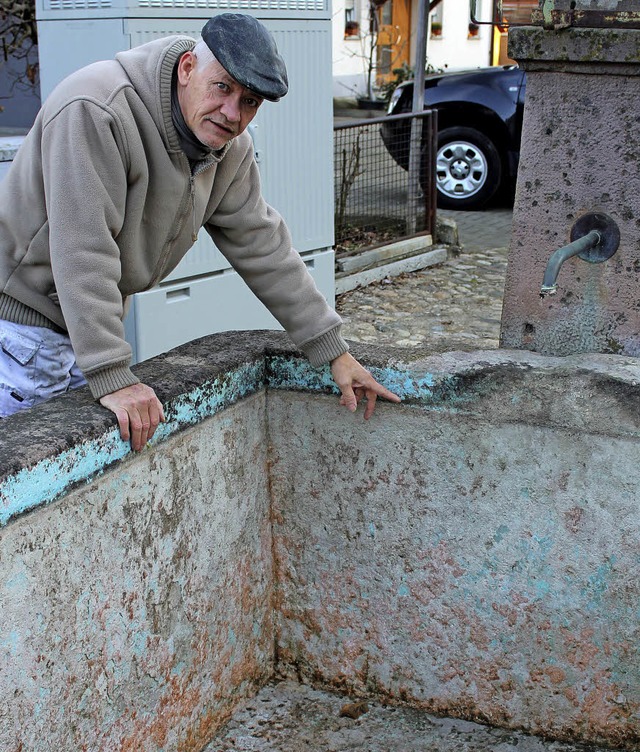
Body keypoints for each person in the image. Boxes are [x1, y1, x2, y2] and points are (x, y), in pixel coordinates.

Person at [0, 13, 400, 450]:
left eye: (250, 102)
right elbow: (83, 249)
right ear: (188, 68)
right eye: (223, 87)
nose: (232, 113)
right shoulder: (97, 109)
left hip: (84, 323)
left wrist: (333, 352)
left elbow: (262, 245)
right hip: (22, 328)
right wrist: (110, 370)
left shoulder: (226, 145)